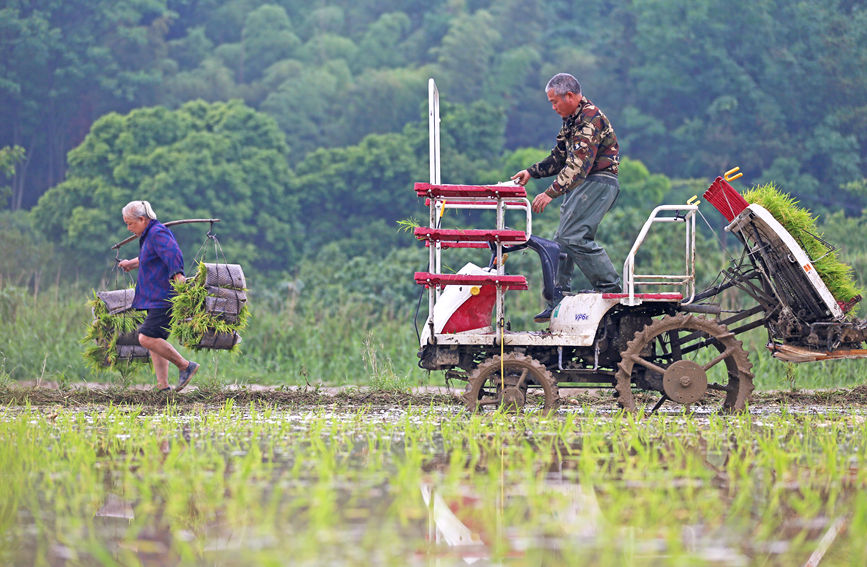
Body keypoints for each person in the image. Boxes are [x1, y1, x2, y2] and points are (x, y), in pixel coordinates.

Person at [511, 72, 622, 323]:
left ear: (569, 96)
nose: (553, 107)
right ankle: (558, 298)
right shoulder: (571, 119)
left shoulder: (589, 119)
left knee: (573, 237)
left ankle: (611, 290)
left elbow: (578, 166)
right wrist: (531, 172)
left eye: (554, 101)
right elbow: (559, 157)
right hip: (583, 183)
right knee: (560, 241)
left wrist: (549, 193)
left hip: (598, 181)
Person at [118, 200, 199, 392]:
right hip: (154, 298)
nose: (128, 228)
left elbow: (173, 253)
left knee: (145, 338)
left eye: (130, 223)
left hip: (164, 296)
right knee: (154, 339)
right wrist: (132, 263)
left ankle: (186, 366)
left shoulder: (157, 232)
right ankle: (163, 387)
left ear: (142, 219)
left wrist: (178, 275)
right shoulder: (150, 235)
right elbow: (151, 256)